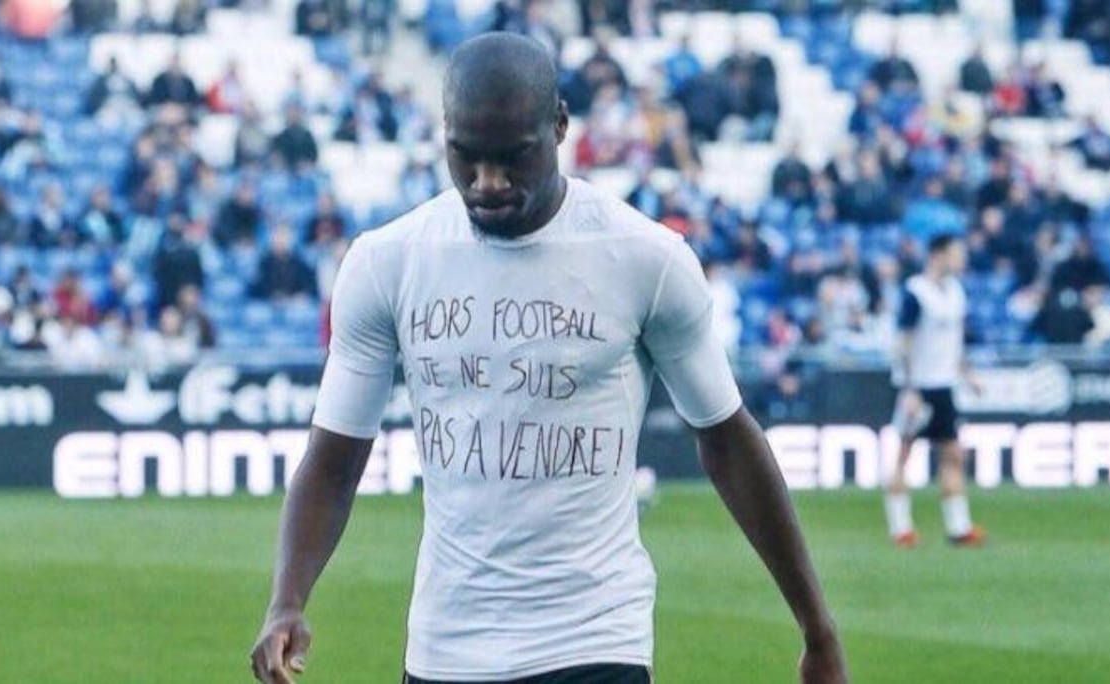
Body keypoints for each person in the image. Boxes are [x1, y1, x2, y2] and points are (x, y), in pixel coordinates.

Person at [250, 33, 846, 684]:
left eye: (513, 159)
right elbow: (335, 461)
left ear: (559, 125)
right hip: (445, 652)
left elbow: (728, 440)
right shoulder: (387, 262)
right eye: (467, 159)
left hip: (595, 643)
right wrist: (288, 599)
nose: (488, 183)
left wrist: (817, 630)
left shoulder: (644, 258)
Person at [886, 234, 987, 548]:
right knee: (904, 455)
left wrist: (967, 374)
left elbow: (953, 343)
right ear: (939, 255)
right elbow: (902, 342)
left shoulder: (955, 292)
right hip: (919, 387)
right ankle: (900, 527)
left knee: (954, 454)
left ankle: (959, 527)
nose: (962, 259)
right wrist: (909, 388)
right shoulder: (916, 293)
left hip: (945, 386)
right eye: (957, 253)